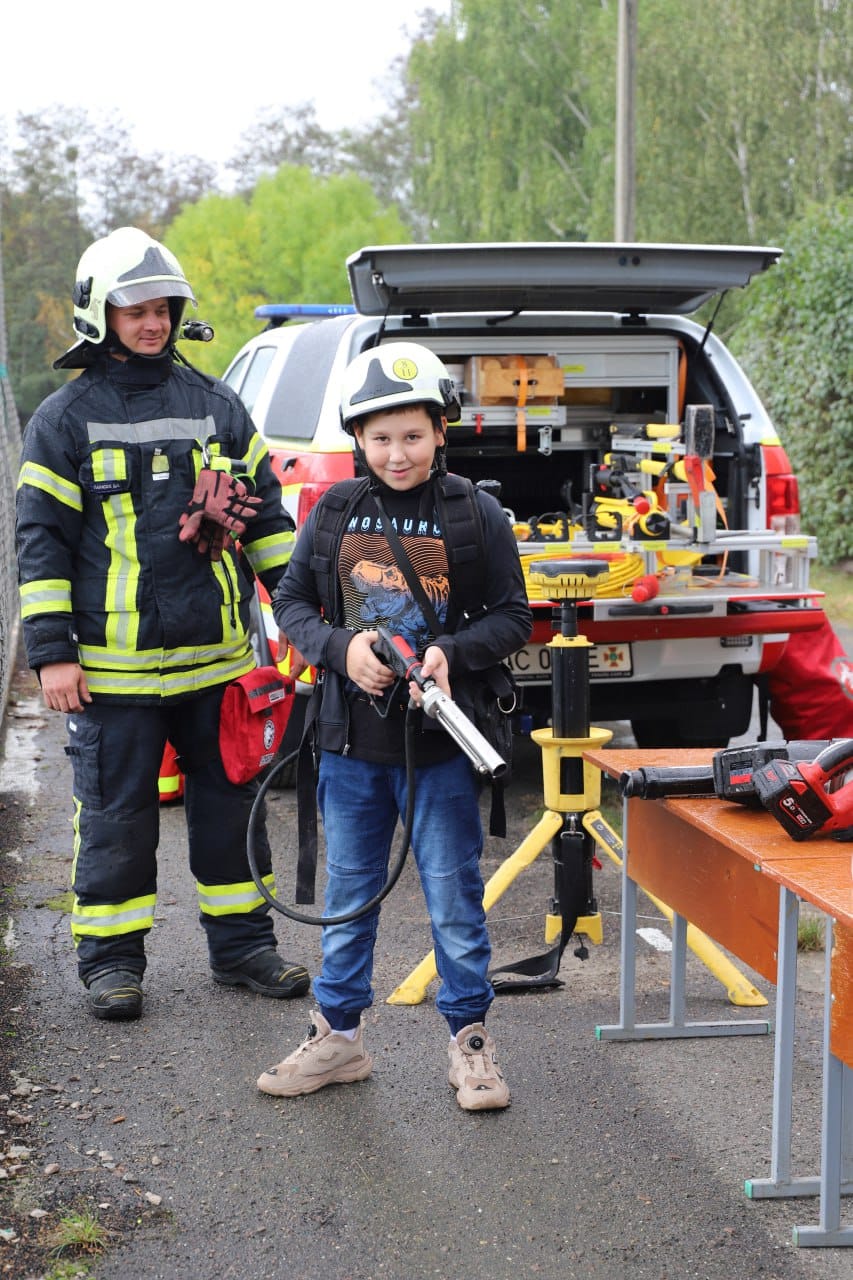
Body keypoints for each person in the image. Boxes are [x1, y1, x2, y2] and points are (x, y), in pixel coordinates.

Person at [15, 226, 310, 1021]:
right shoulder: (63, 418)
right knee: (116, 824)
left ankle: (244, 949)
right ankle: (112, 964)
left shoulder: (217, 405)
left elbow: (269, 526)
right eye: (135, 309)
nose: (153, 323)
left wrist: (306, 624)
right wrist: (52, 655)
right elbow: (40, 540)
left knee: (231, 815)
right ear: (98, 315)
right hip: (111, 673)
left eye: (164, 309)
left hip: (217, 665)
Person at [256, 341, 532, 1111]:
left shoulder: (472, 513)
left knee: (453, 898)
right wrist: (340, 649)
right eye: (379, 437)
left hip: (440, 750)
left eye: (411, 434)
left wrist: (448, 653)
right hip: (349, 747)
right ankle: (338, 1038)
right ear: (357, 439)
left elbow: (514, 617)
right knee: (349, 895)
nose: (396, 452)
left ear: (439, 430)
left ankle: (470, 1047)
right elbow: (290, 605)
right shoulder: (334, 511)